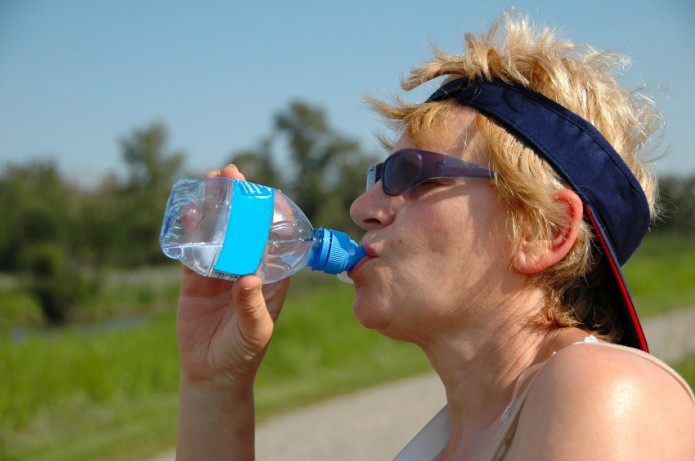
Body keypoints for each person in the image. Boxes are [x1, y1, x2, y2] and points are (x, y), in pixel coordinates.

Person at [174, 12, 695, 460]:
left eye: (409, 175)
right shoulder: (454, 438)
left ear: (543, 231)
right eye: (376, 178)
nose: (362, 208)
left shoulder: (602, 393)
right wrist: (214, 388)